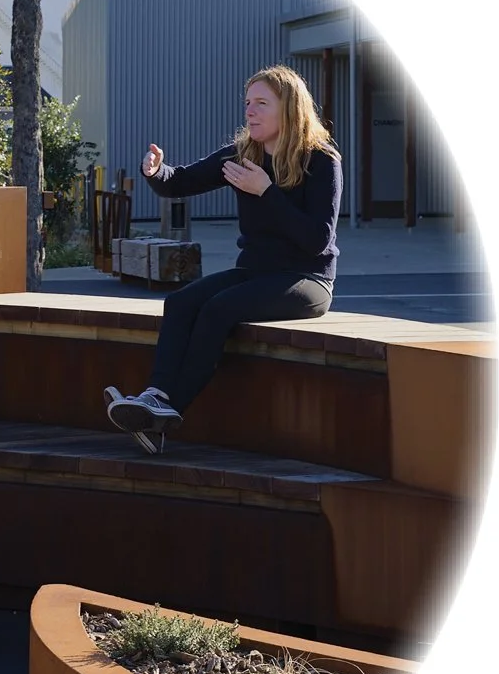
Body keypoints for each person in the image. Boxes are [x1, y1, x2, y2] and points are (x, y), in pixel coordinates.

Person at [105, 65, 341, 453]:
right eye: (248, 102)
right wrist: (156, 171)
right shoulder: (243, 154)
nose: (250, 111)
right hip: (255, 272)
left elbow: (317, 240)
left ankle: (168, 412)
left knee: (219, 308)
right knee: (180, 302)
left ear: (289, 108)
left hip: (307, 280)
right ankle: (155, 396)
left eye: (261, 103)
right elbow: (181, 181)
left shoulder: (321, 161)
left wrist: (266, 192)